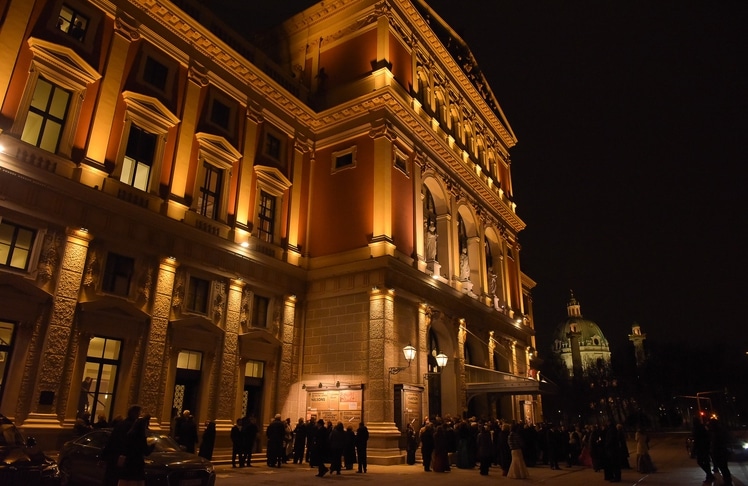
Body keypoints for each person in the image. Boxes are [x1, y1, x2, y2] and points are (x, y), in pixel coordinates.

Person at [102, 404, 141, 486]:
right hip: (125, 460)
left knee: (111, 480)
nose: (139, 415)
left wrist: (104, 456)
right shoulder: (133, 427)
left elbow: (111, 441)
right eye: (138, 413)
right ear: (134, 414)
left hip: (114, 458)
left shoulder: (120, 425)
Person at [119, 414, 155, 486]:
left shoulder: (129, 435)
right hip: (137, 464)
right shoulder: (141, 438)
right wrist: (152, 446)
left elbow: (124, 449)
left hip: (128, 463)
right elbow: (146, 452)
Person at [708, 418, 733, 486]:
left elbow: (716, 443)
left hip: (719, 453)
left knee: (723, 467)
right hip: (720, 452)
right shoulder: (718, 432)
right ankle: (727, 480)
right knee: (724, 467)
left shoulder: (716, 433)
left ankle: (728, 481)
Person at [692, 418, 714, 483]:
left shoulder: (697, 429)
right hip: (705, 447)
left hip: (701, 448)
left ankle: (709, 475)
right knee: (706, 462)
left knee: (701, 461)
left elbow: (696, 440)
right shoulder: (703, 427)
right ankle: (709, 475)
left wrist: (694, 450)